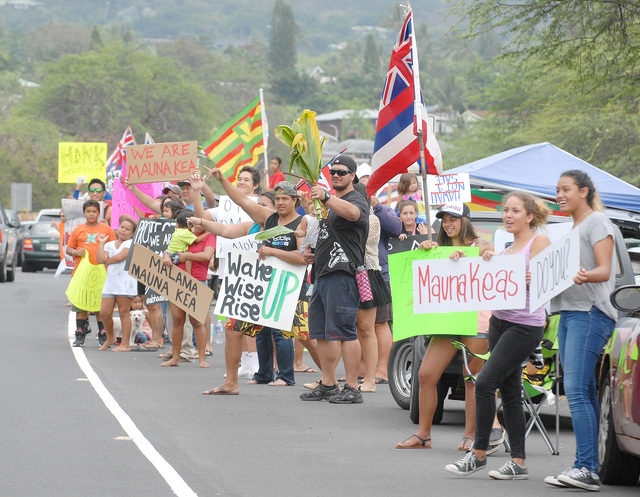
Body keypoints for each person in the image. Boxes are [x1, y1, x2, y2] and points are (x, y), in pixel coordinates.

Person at [445, 192, 551, 480]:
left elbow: (551, 280)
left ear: (530, 216)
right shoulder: (505, 249)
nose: (508, 215)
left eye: (515, 211)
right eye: (505, 210)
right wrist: (465, 258)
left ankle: (478, 453)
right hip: (499, 323)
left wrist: (535, 277)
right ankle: (518, 462)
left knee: (484, 382)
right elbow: (485, 275)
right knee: (510, 393)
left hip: (525, 325)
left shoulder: (538, 241)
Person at [396, 202, 493, 450]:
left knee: (471, 379)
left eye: (454, 218)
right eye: (445, 219)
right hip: (447, 320)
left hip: (476, 319)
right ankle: (423, 435)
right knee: (426, 375)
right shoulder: (439, 248)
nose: (448, 223)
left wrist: (477, 256)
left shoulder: (479, 244)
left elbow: (490, 255)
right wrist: (425, 251)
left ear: (466, 221)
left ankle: (470, 435)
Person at [200, 172, 307, 393]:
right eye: (277, 199)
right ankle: (242, 380)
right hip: (260, 285)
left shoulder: (302, 223)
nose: (279, 203)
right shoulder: (268, 219)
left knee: (302, 337)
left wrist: (272, 251)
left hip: (288, 288)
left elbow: (302, 257)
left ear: (295, 200)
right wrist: (221, 180)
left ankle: (318, 379)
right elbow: (240, 201)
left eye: (284, 198)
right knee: (241, 329)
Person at [545, 171, 618, 491]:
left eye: (566, 189)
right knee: (582, 391)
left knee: (575, 390)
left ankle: (587, 467)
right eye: (557, 190)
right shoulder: (571, 229)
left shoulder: (596, 222)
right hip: (570, 314)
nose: (560, 194)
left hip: (591, 314)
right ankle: (583, 466)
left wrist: (582, 275)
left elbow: (604, 270)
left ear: (584, 191)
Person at [299, 154, 369, 404]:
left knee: (345, 332)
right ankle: (328, 383)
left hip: (343, 273)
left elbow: (353, 215)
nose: (336, 175)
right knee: (322, 332)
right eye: (333, 172)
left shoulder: (355, 199)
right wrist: (311, 252)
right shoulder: (333, 202)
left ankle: (352, 387)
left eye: (342, 172)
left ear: (352, 175)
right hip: (322, 273)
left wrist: (327, 197)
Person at [160, 212, 215, 368]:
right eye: (193, 223)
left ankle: (202, 359)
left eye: (199, 222)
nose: (196, 226)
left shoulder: (209, 237)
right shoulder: (185, 233)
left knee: (197, 321)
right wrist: (165, 255)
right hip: (177, 279)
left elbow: (206, 255)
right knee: (177, 320)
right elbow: (171, 248)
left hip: (197, 280)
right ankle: (175, 358)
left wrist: (187, 256)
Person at [355, 183, 392, 393]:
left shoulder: (374, 218)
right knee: (359, 327)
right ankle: (359, 372)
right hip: (350, 275)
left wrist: (378, 205)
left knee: (376, 325)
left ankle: (379, 372)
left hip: (371, 274)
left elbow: (394, 228)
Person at [66, 199, 117, 346]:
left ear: (99, 213)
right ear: (84, 213)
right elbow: (69, 249)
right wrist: (76, 251)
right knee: (81, 304)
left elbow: (113, 247)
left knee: (99, 305)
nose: (91, 214)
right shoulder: (78, 230)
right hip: (82, 273)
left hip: (102, 272)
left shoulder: (106, 230)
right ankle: (80, 332)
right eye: (88, 211)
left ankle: (103, 334)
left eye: (94, 211)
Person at [96, 215, 138, 351]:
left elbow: (121, 257)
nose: (124, 230)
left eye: (128, 229)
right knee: (104, 312)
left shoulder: (131, 243)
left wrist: (106, 261)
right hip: (111, 282)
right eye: (122, 227)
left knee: (124, 312)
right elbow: (99, 259)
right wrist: (101, 244)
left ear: (132, 233)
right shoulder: (109, 244)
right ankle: (110, 337)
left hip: (125, 282)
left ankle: (125, 343)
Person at [165, 210, 197, 275]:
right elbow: (197, 239)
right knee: (188, 257)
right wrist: (207, 233)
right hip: (176, 256)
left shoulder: (178, 231)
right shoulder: (186, 233)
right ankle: (188, 276)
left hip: (171, 255)